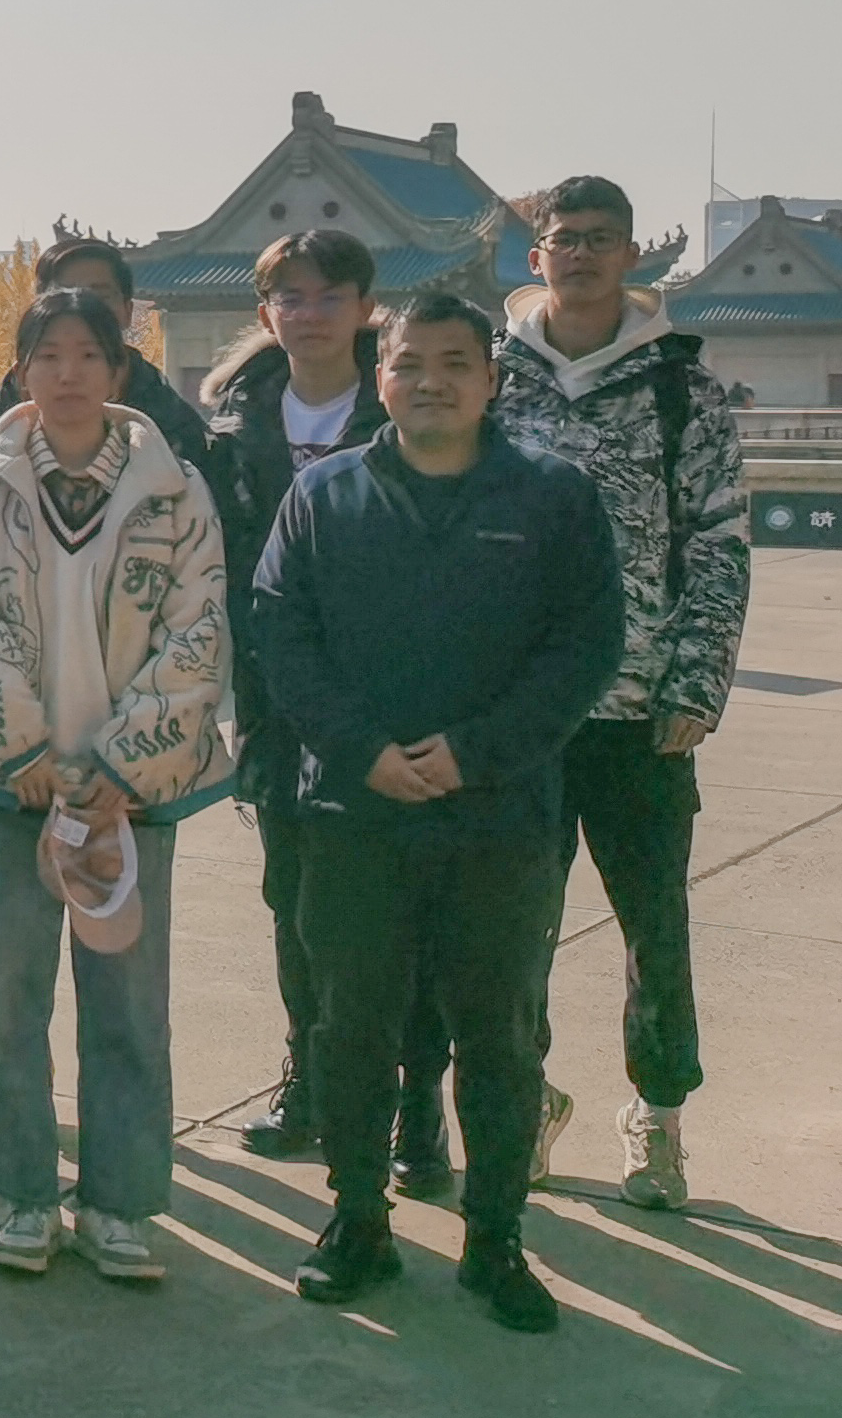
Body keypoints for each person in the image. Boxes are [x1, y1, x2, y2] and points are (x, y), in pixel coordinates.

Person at [258, 294, 626, 1335]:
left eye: (455, 363)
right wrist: (364, 752)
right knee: (350, 1026)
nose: (431, 381)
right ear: (380, 378)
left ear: (490, 379)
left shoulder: (552, 497)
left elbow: (584, 649)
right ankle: (357, 1219)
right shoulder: (324, 496)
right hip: (354, 813)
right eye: (409, 363)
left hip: (498, 818)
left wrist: (475, 753)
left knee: (500, 1035)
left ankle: (495, 1237)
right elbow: (282, 635)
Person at [0, 289, 232, 1285]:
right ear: (20, 372)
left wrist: (122, 768)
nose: (67, 373)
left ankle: (120, 1203)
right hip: (8, 793)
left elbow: (198, 629)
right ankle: (22, 1194)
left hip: (127, 798)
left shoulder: (173, 490)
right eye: (47, 355)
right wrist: (18, 753)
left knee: (128, 1004)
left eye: (87, 355)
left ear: (118, 369)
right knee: (8, 1000)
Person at [495, 176, 752, 1210]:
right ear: (537, 257)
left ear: (633, 254)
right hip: (521, 715)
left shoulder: (681, 388)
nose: (584, 254)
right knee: (512, 928)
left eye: (603, 238)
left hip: (643, 711)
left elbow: (720, 541)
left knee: (655, 928)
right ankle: (526, 1098)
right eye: (566, 238)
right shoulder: (495, 380)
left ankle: (659, 1115)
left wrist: (697, 682)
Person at [197, 229, 442, 1180]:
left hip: (393, 699)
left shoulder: (402, 407)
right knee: (296, 904)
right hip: (277, 702)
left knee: (407, 907)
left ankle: (417, 1102)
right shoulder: (234, 425)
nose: (309, 314)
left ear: (365, 308)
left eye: (329, 296)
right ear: (266, 313)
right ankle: (310, 1076)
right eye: (290, 298)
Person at [0, 238, 218, 483]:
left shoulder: (169, 420)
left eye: (100, 296)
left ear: (128, 311)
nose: (82, 307)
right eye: (66, 294)